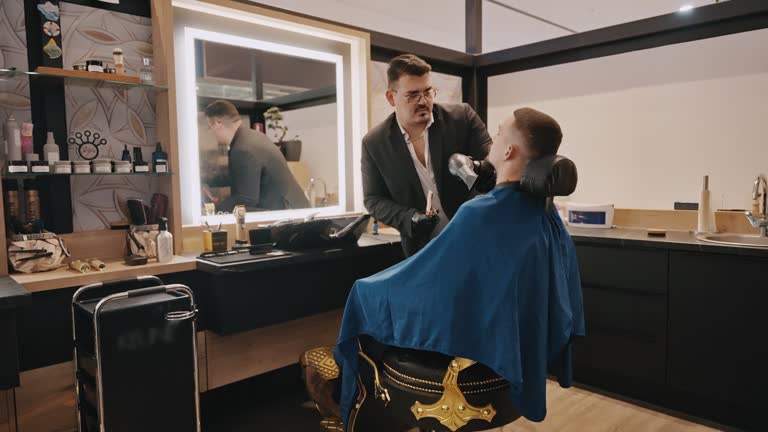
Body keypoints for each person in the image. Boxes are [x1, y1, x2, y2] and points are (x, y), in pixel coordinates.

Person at [304, 107, 584, 430]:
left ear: (509, 150)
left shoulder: (480, 214)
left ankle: (349, 406)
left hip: (478, 344)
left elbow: (425, 285)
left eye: (499, 131)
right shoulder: (546, 213)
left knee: (365, 303)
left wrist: (368, 290)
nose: (491, 139)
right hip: (515, 339)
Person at [362, 54, 495, 256]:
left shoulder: (463, 118)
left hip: (477, 237)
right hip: (424, 251)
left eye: (428, 92)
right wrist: (409, 218)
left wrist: (482, 170)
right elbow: (373, 199)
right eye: (413, 95)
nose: (423, 101)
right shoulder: (374, 143)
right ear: (391, 97)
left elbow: (492, 163)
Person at [204, 100, 309, 211]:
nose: (211, 132)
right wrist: (207, 181)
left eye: (210, 127)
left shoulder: (243, 148)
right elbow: (239, 174)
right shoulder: (252, 137)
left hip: (287, 220)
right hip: (295, 213)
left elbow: (245, 200)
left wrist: (211, 209)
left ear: (218, 124)